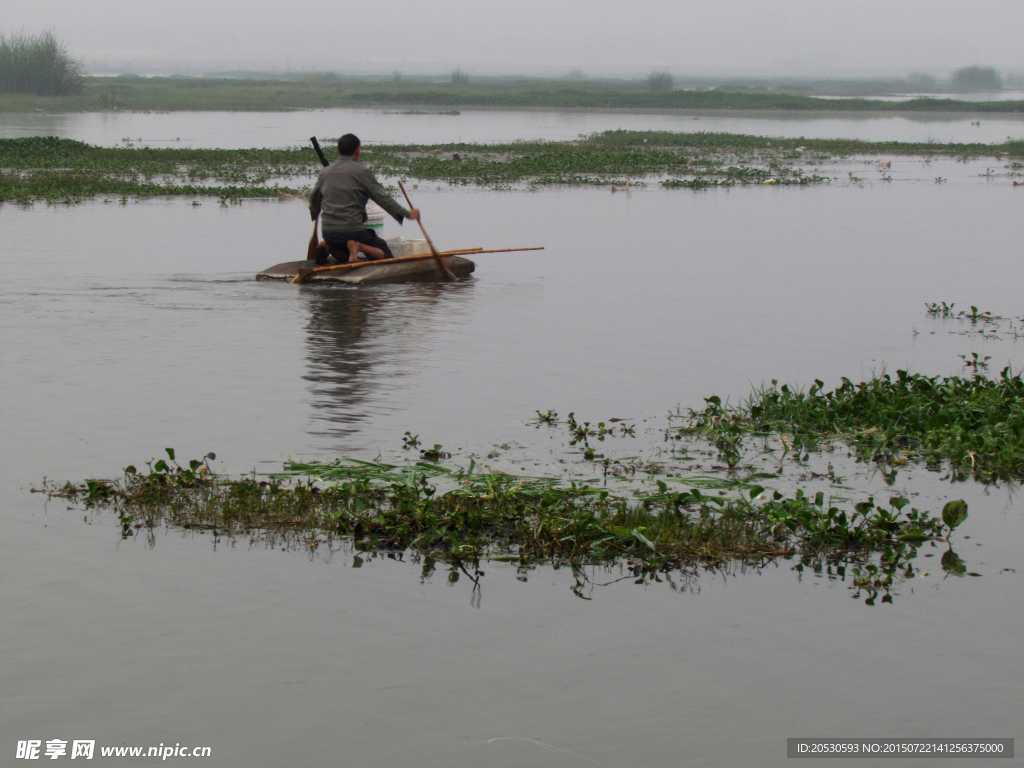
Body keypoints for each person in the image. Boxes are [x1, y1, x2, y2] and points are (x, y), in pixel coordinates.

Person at [307, 133, 419, 265]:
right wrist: (407, 213)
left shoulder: (325, 173)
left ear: (338, 150)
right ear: (357, 151)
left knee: (344, 256)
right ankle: (358, 246)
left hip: (329, 232)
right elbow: (382, 198)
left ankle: (327, 245)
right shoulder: (362, 172)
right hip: (354, 231)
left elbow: (313, 200)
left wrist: (315, 212)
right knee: (386, 254)